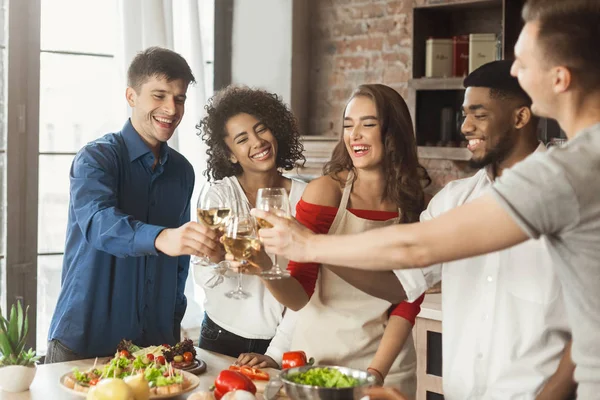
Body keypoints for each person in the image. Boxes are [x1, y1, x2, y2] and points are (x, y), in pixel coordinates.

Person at [252, 1, 600, 397]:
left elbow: (414, 247)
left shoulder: (571, 172)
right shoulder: (455, 197)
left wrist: (309, 244)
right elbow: (404, 282)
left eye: (523, 61)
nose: (515, 70)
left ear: (559, 78)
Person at [399, 60, 574, 399]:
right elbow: (401, 274)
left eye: (478, 115)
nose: (465, 127)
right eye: (464, 114)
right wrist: (310, 254)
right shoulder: (453, 200)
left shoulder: (571, 196)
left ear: (520, 117)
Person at [250, 84, 427, 397]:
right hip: (320, 365)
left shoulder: (413, 202)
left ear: (392, 131)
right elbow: (298, 296)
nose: (354, 134)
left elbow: (408, 300)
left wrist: (375, 374)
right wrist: (263, 265)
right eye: (348, 125)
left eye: (368, 124)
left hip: (388, 365)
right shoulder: (325, 192)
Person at [46, 47, 218, 363]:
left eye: (179, 99)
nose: (171, 108)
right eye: (159, 95)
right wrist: (162, 237)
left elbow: (179, 266)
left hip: (153, 345)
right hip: (86, 340)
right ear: (131, 96)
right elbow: (99, 222)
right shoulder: (96, 158)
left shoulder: (183, 171)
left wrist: (172, 321)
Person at [194, 85, 307, 367]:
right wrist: (216, 257)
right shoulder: (219, 196)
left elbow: (310, 287)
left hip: (285, 341)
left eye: (261, 130)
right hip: (220, 335)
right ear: (230, 154)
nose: (257, 142)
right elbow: (203, 275)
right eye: (242, 138)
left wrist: (276, 353)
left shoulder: (306, 198)